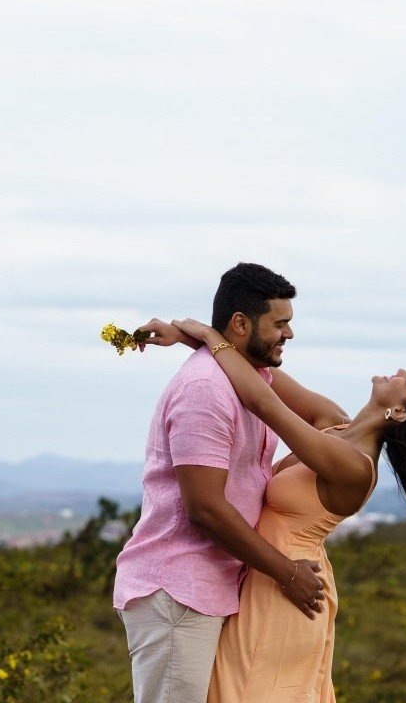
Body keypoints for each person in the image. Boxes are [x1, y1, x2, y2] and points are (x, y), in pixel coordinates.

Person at [149, 317, 406, 702]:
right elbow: (262, 375)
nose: (400, 371)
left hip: (291, 585)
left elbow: (261, 401)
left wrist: (207, 335)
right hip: (270, 575)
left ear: (400, 412)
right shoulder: (334, 423)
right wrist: (187, 338)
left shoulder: (355, 466)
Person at [113, 263, 351, 703]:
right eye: (279, 324)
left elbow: (333, 420)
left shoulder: (250, 378)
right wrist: (287, 573)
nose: (289, 334)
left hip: (217, 586)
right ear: (241, 324)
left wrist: (204, 337)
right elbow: (205, 508)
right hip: (178, 590)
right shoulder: (205, 388)